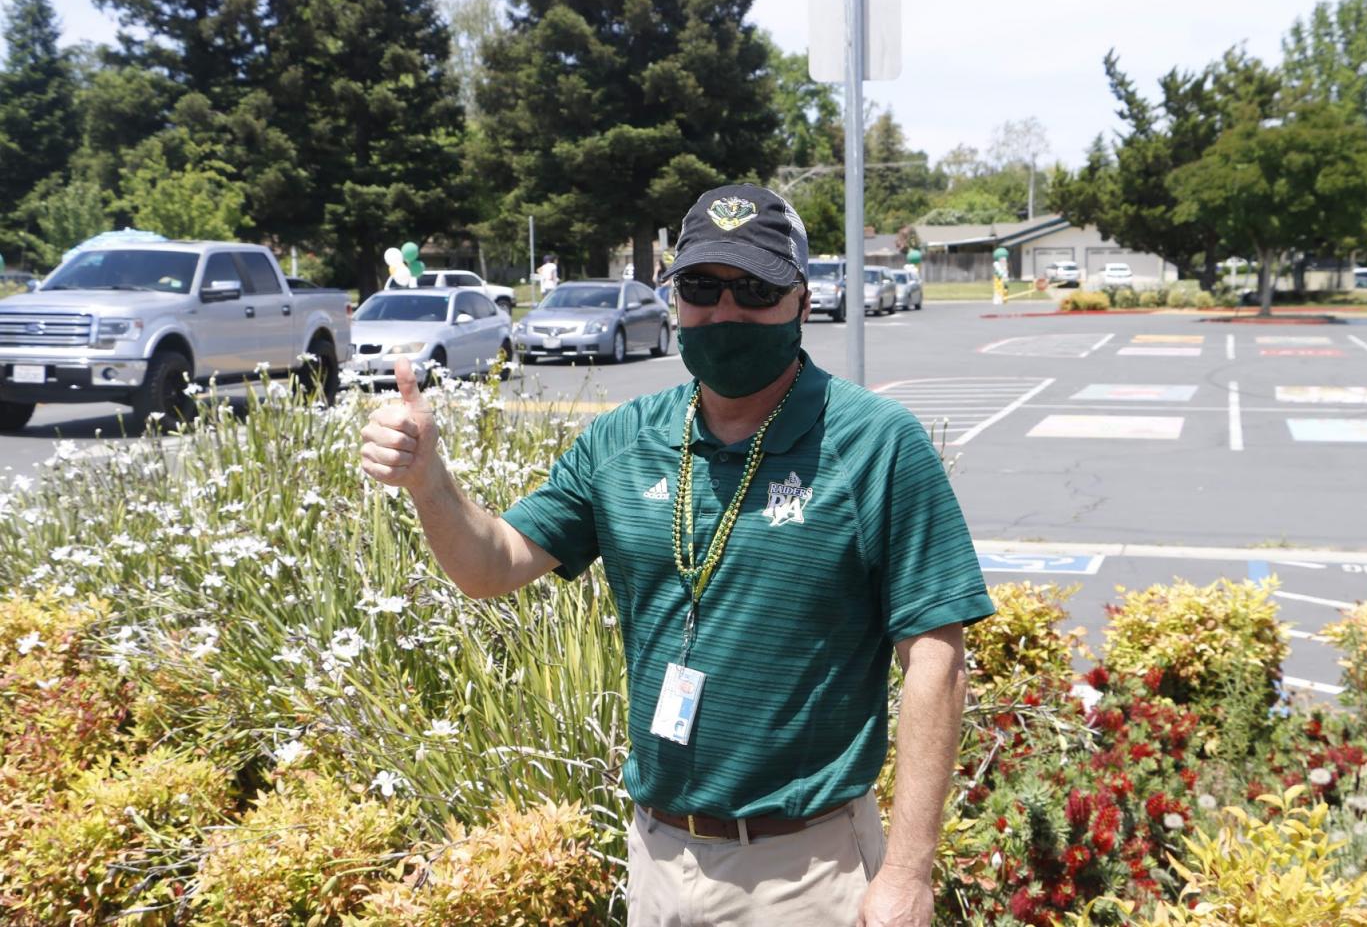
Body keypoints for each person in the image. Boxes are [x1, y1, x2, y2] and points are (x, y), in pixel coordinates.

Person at [359, 183, 993, 926]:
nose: (725, 312)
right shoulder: (622, 439)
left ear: (800, 299)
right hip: (657, 856)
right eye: (701, 287)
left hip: (805, 871)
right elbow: (490, 566)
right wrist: (428, 480)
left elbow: (935, 658)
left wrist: (909, 873)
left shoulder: (876, 443)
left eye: (753, 288)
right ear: (674, 300)